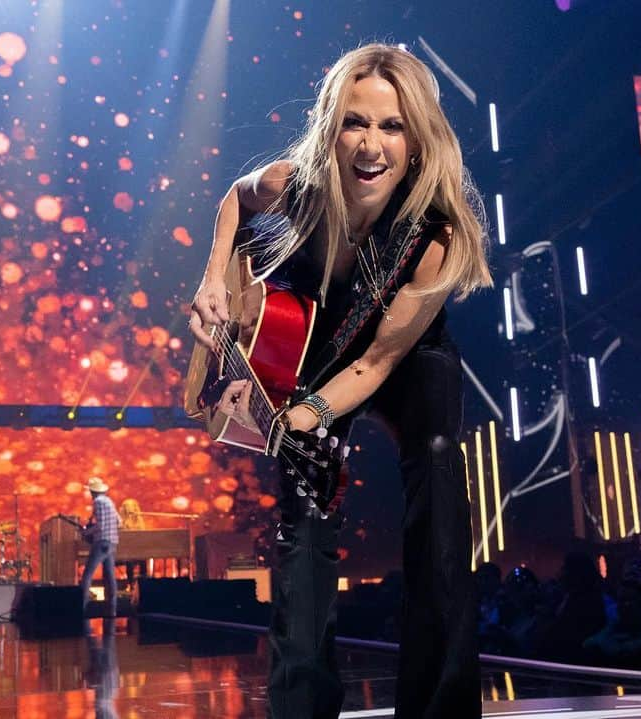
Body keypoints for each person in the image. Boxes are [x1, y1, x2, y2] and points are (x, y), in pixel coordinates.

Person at [188, 43, 492, 719]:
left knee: (439, 474)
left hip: (404, 355)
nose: (371, 145)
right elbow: (236, 198)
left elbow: (380, 361)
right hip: (321, 342)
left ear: (417, 138)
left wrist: (309, 411)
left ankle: (438, 705)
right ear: (332, 128)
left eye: (392, 126)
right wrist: (213, 277)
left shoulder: (434, 234)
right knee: (304, 494)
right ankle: (300, 704)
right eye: (357, 122)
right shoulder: (294, 184)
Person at [79, 476, 119, 617]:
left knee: (87, 575)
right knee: (110, 576)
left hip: (102, 542)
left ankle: (82, 609)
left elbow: (100, 526)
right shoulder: (109, 502)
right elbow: (119, 521)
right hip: (112, 542)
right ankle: (112, 610)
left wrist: (86, 532)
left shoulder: (98, 502)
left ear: (92, 491)